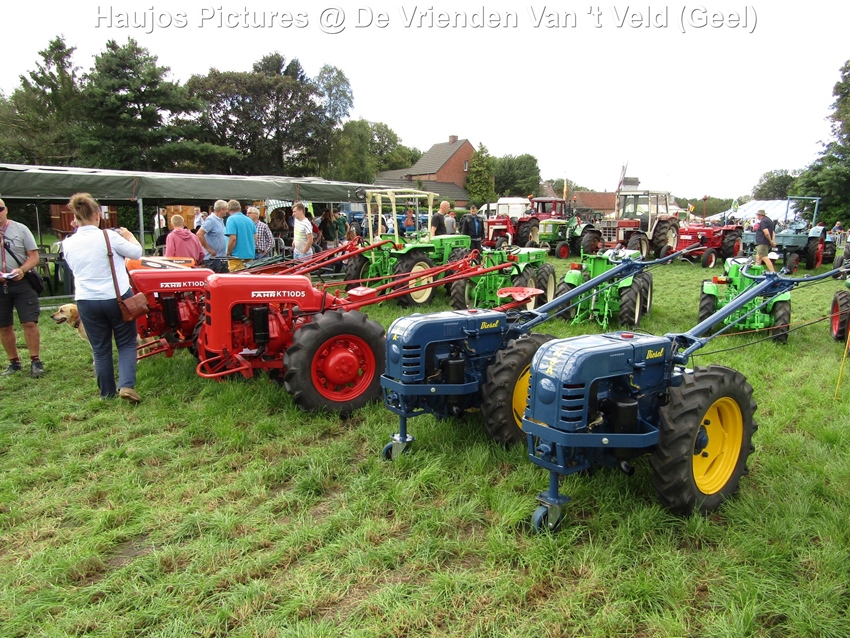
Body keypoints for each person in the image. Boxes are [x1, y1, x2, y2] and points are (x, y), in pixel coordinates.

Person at [62, 193, 143, 402]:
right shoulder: (109, 237)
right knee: (126, 343)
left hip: (86, 300)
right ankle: (126, 385)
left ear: (75, 218)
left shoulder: (68, 243)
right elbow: (136, 253)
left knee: (100, 349)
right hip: (117, 298)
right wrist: (129, 236)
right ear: (97, 215)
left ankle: (107, 393)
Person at [0, 198, 45, 378]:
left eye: (0, 209)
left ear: (6, 210)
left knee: (29, 322)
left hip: (22, 282)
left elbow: (34, 256)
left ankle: (35, 360)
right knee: (4, 325)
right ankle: (14, 362)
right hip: (1, 285)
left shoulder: (20, 229)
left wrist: (22, 270)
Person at [197, 199, 229, 272]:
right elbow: (199, 234)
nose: (227, 211)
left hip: (221, 258)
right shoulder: (211, 220)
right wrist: (209, 249)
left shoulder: (220, 220)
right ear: (221, 209)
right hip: (212, 259)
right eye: (226, 209)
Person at [224, 199, 255, 270]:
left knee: (236, 276)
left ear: (228, 209)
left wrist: (228, 253)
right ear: (239, 208)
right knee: (248, 276)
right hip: (249, 256)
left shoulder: (231, 219)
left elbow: (233, 238)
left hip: (236, 256)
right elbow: (255, 237)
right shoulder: (249, 220)